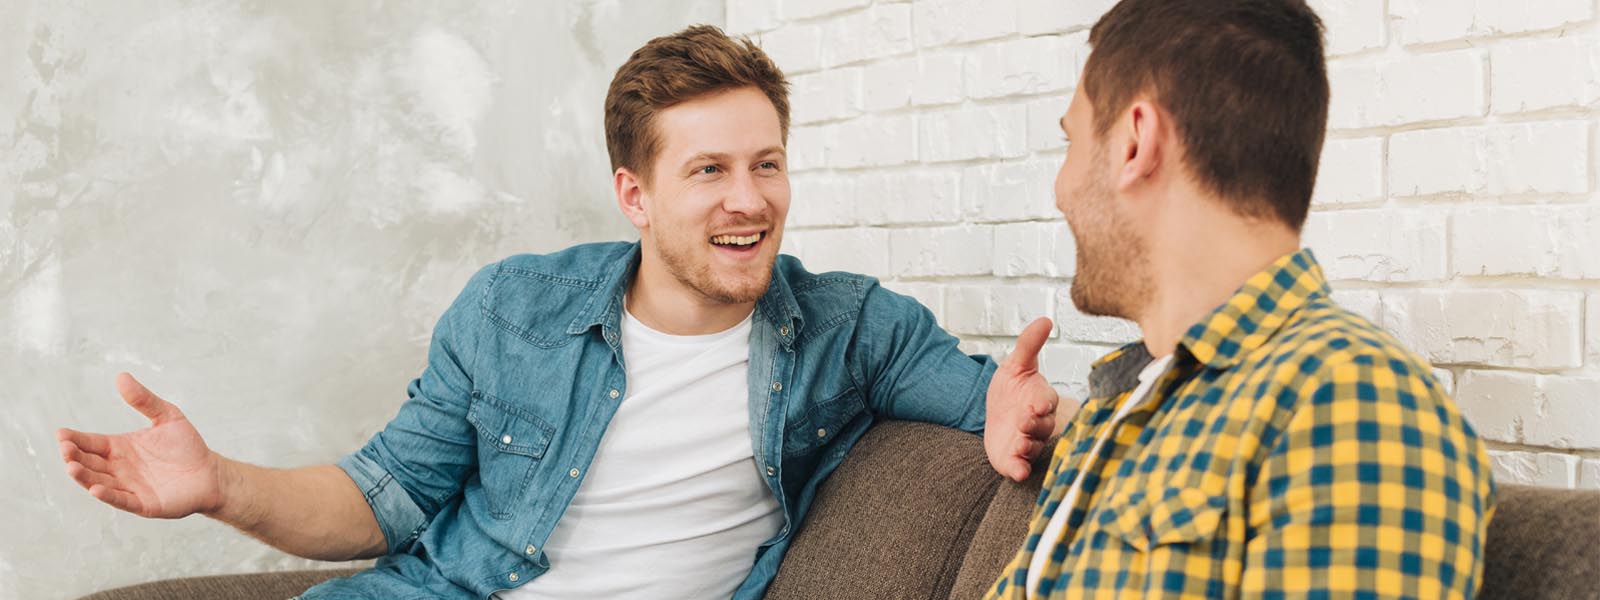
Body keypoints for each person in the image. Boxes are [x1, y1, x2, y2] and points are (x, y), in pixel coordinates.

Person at [55, 25, 1065, 599]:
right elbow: (388, 499)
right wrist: (218, 483)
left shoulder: (846, 328)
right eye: (707, 170)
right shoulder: (512, 310)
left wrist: (1013, 409)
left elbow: (988, 399)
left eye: (766, 165)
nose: (748, 201)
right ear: (634, 196)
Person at [984, 1, 1495, 598]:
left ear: (1136, 142)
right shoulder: (1113, 410)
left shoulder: (1354, 405)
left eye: (1073, 142)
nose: (1061, 190)